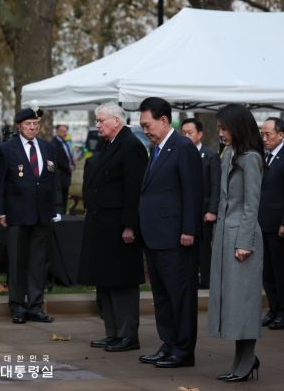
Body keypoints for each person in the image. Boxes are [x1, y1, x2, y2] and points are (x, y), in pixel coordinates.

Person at [138, 97, 202, 368]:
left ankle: (184, 349)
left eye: (147, 124)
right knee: (162, 296)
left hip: (176, 236)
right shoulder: (156, 149)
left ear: (164, 121)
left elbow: (193, 191)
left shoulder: (183, 147)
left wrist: (189, 229)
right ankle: (169, 342)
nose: (145, 130)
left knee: (180, 295)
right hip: (155, 235)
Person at [79, 103, 147, 352]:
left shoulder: (131, 146)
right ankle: (112, 332)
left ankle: (128, 334)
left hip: (119, 226)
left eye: (101, 120)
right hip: (101, 225)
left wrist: (130, 225)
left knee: (122, 282)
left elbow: (133, 190)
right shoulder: (109, 144)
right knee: (105, 280)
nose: (97, 125)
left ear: (116, 121)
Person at [208, 104, 264, 382]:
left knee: (243, 302)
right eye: (219, 128)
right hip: (226, 236)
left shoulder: (250, 158)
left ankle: (245, 361)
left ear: (238, 128)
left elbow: (252, 205)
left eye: (224, 128)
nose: (220, 133)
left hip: (242, 238)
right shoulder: (229, 154)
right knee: (231, 302)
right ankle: (243, 360)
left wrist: (245, 242)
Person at [0, 107, 57, 325]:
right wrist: (0, 210)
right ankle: (18, 306)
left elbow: (51, 181)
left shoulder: (47, 148)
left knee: (38, 262)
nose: (32, 128)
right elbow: (0, 184)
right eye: (28, 124)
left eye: (35, 124)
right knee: (18, 262)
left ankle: (36, 306)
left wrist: (53, 210)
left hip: (41, 215)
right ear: (19, 126)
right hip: (16, 214)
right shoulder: (7, 149)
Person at [259, 118, 284, 330]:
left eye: (268, 134)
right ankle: (273, 308)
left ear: (281, 134)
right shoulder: (265, 157)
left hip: (279, 223)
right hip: (263, 221)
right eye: (262, 134)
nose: (264, 138)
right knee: (268, 271)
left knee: (281, 270)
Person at [181, 118, 220, 289]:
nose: (186, 136)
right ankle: (190, 280)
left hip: (204, 211)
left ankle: (206, 282)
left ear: (200, 134)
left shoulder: (210, 155)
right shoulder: (180, 153)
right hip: (185, 211)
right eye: (184, 133)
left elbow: (215, 185)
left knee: (204, 249)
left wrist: (212, 210)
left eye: (190, 133)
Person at [52, 124, 75, 214]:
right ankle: (61, 217)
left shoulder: (64, 142)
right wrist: (68, 166)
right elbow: (57, 160)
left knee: (65, 198)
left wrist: (73, 164)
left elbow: (68, 156)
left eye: (66, 131)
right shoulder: (54, 143)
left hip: (66, 176)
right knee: (60, 199)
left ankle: (64, 215)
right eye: (63, 131)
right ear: (57, 131)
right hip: (59, 176)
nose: (65, 133)